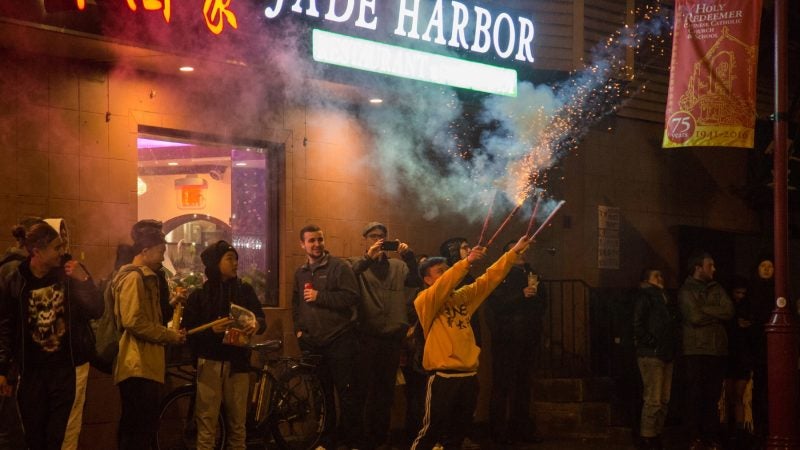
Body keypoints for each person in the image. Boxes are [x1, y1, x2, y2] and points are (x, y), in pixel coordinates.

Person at [410, 235, 533, 450]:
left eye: (447, 269)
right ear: (427, 279)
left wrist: (513, 253)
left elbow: (489, 279)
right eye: (440, 271)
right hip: (443, 377)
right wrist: (466, 262)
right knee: (431, 432)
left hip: (468, 376)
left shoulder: (461, 297)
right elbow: (445, 285)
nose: (447, 273)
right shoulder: (425, 300)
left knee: (457, 435)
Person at [0, 219, 102, 450]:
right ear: (37, 251)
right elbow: (6, 326)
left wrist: (84, 281)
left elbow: (97, 310)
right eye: (56, 247)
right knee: (34, 439)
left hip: (64, 372)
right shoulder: (17, 279)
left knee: (57, 438)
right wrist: (3, 369)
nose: (62, 252)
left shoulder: (70, 273)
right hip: (32, 375)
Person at [183, 240, 267, 450]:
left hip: (238, 365)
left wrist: (256, 324)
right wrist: (211, 331)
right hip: (209, 364)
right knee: (207, 425)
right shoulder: (199, 295)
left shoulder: (244, 290)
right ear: (214, 263)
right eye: (230, 258)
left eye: (236, 258)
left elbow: (261, 319)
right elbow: (188, 332)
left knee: (238, 427)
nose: (236, 263)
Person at [113, 219, 187, 450]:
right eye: (160, 252)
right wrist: (168, 335)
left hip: (145, 363)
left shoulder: (147, 277)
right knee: (137, 426)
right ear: (145, 251)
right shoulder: (134, 278)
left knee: (141, 425)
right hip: (136, 364)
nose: (163, 257)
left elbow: (148, 316)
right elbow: (134, 321)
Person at [348, 222, 421, 450]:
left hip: (391, 339)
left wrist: (409, 257)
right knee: (362, 391)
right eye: (373, 236)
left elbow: (416, 281)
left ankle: (379, 439)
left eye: (382, 236)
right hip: (366, 337)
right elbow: (347, 278)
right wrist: (368, 258)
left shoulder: (398, 266)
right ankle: (359, 440)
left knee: (385, 391)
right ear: (364, 239)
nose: (378, 240)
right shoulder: (356, 264)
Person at [292, 224, 361, 449]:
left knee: (347, 394)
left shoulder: (339, 267)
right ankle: (327, 440)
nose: (317, 245)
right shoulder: (300, 273)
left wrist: (320, 296)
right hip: (312, 343)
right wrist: (299, 331)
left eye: (320, 240)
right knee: (321, 395)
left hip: (339, 340)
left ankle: (351, 442)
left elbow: (351, 297)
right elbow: (296, 304)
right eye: (311, 241)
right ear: (302, 244)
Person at [485, 239, 546, 445]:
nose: (522, 254)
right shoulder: (499, 275)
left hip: (527, 337)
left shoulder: (531, 273)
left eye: (523, 251)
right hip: (506, 339)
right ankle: (498, 433)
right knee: (502, 386)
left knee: (523, 386)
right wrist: (521, 295)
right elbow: (496, 304)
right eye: (517, 251)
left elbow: (542, 303)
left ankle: (520, 429)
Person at [679, 251, 733, 450]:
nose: (714, 269)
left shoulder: (717, 288)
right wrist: (713, 314)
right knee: (695, 394)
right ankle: (693, 436)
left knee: (712, 396)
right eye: (710, 265)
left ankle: (710, 435)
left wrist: (705, 310)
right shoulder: (686, 291)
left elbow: (729, 311)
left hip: (717, 350)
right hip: (696, 349)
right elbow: (694, 317)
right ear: (698, 268)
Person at [0, 216, 45, 449]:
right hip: (9, 365)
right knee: (11, 435)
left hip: (7, 361)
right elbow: (9, 322)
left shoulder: (5, 265)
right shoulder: (17, 271)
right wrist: (7, 371)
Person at [633, 268, 681, 450]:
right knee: (653, 398)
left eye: (661, 275)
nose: (661, 278)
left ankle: (656, 434)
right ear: (647, 280)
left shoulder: (663, 298)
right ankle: (648, 436)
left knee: (664, 399)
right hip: (652, 353)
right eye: (656, 276)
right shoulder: (646, 297)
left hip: (665, 352)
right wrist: (651, 342)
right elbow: (638, 324)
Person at [722, 276, 756, 448]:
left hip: (741, 357)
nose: (741, 296)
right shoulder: (728, 310)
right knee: (729, 396)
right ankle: (729, 430)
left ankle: (738, 431)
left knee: (738, 396)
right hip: (730, 356)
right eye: (738, 292)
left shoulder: (748, 309)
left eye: (743, 293)